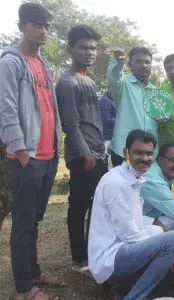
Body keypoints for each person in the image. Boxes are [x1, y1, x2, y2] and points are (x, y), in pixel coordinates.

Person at [0, 3, 64, 299]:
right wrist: (21, 151)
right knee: (23, 223)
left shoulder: (44, 64)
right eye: (37, 24)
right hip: (27, 158)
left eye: (46, 26)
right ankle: (24, 288)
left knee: (35, 219)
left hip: (49, 155)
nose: (43, 31)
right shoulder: (10, 62)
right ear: (22, 26)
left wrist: (54, 150)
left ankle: (34, 272)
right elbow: (7, 110)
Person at [88, 130, 174, 300]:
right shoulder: (116, 182)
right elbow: (129, 234)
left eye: (149, 154)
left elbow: (137, 224)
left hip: (122, 251)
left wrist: (160, 241)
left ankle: (124, 289)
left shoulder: (133, 177)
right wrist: (164, 248)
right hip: (111, 258)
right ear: (126, 153)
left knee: (164, 243)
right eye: (139, 153)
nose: (145, 158)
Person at [56, 25, 108, 275]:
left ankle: (92, 251)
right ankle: (79, 258)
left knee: (96, 205)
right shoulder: (67, 82)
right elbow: (71, 124)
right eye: (83, 47)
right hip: (82, 156)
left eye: (93, 48)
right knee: (79, 206)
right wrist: (86, 154)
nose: (89, 52)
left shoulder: (88, 80)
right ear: (71, 49)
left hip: (98, 152)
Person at [107, 46, 157, 167]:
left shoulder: (156, 92)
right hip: (124, 151)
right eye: (139, 61)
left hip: (149, 153)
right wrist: (119, 62)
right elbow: (115, 76)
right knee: (124, 185)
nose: (144, 65)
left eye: (147, 62)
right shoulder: (123, 85)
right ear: (129, 64)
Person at [99, 90, 116, 157]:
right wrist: (121, 120)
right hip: (107, 139)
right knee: (109, 165)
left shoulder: (112, 100)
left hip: (112, 138)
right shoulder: (105, 101)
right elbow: (104, 120)